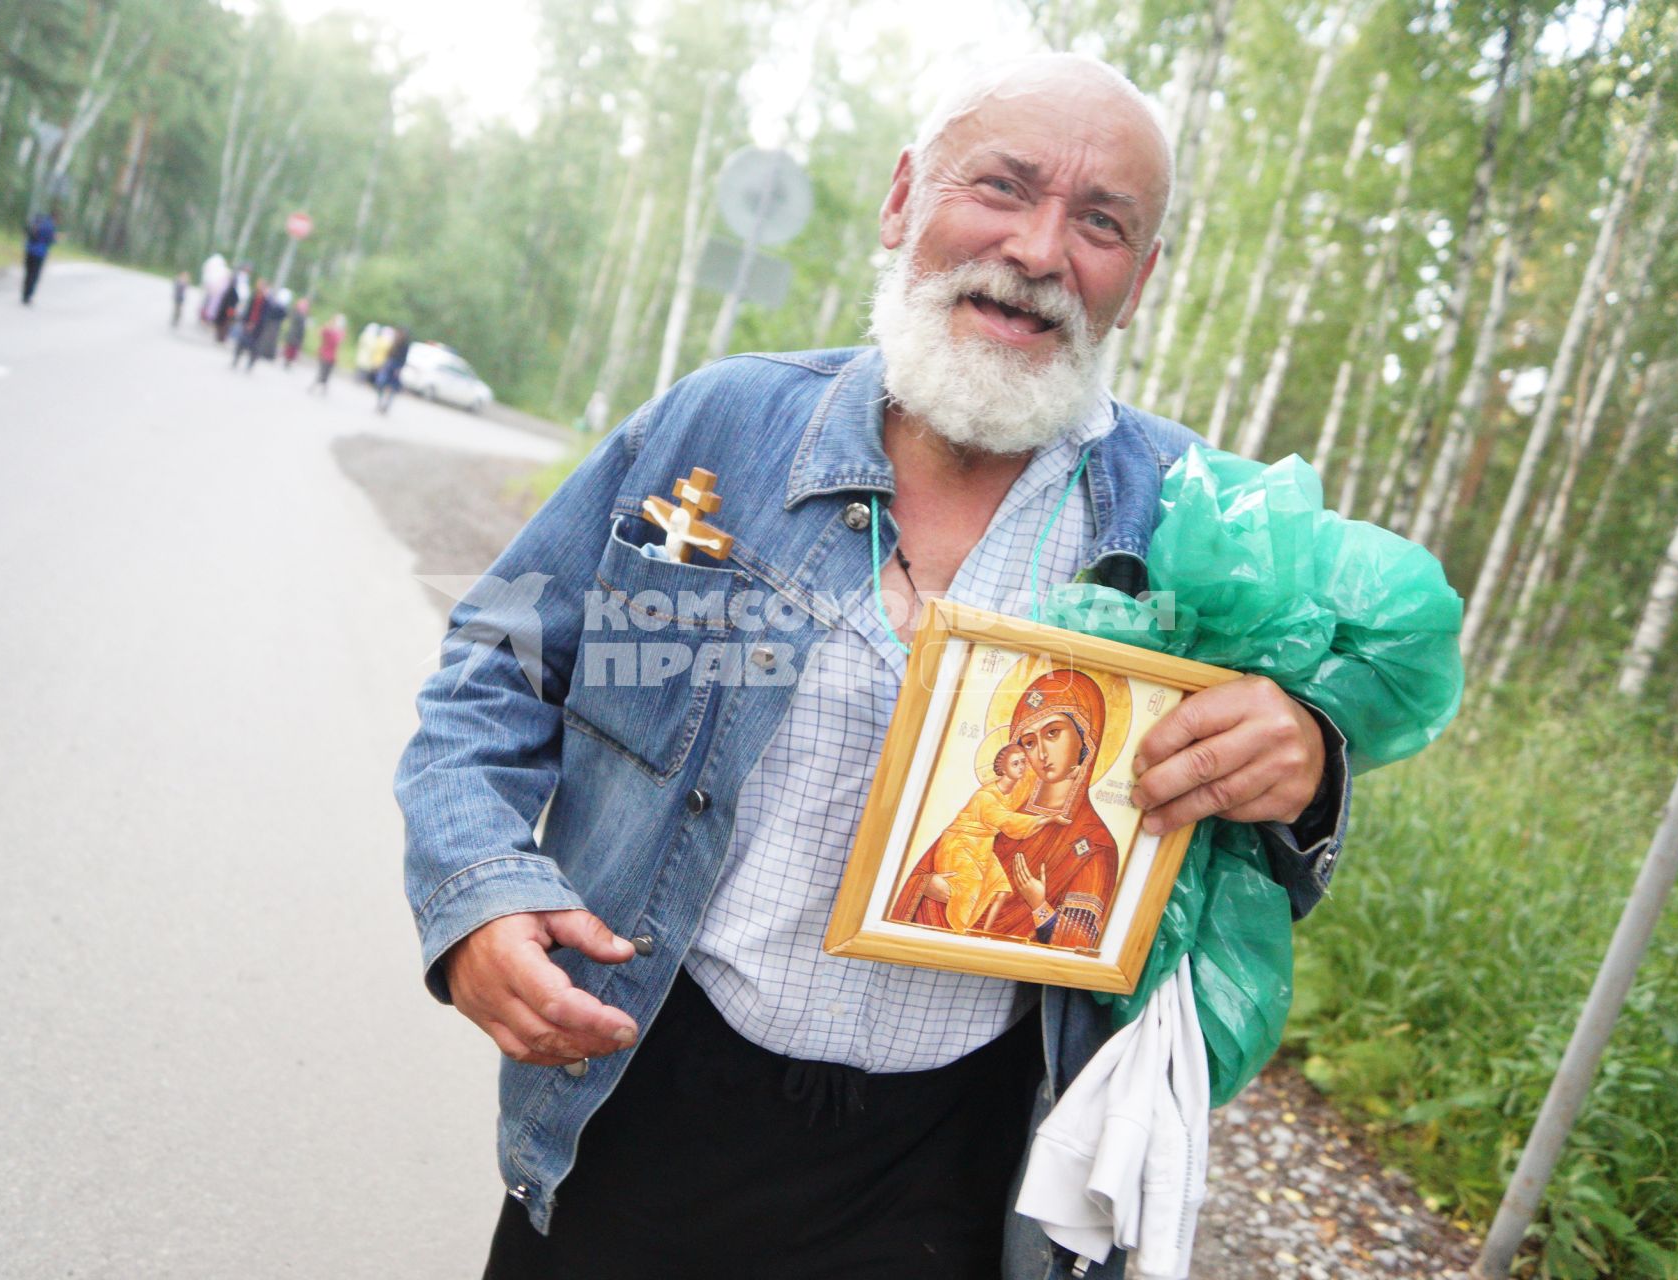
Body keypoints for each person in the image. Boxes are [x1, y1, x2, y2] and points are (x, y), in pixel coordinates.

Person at [398, 55, 1355, 1280]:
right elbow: (497, 662)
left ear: (1139, 279)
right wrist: (475, 890)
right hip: (644, 1101)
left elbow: (1285, 790)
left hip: (961, 1168)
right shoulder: (719, 429)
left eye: (1100, 223)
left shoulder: (1195, 523)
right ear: (904, 198)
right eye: (1001, 186)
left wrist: (1307, 753)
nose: (1038, 249)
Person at [892, 742, 1047, 934]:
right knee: (969, 888)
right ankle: (960, 930)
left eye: (1024, 762)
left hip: (982, 845)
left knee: (1000, 888)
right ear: (1003, 768)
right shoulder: (985, 797)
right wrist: (1047, 819)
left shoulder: (1012, 792)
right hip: (961, 844)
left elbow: (1030, 782)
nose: (1022, 767)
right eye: (1016, 764)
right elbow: (1007, 820)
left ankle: (981, 934)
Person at [21, 208, 57, 305]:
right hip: (40, 253)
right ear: (55, 217)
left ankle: (24, 295)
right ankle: (28, 297)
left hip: (29, 250)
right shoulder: (50, 225)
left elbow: (26, 231)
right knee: (34, 275)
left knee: (28, 273)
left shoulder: (38, 221)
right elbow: (51, 240)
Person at [373, 326, 409, 412]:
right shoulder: (393, 342)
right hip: (389, 364)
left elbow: (404, 358)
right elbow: (387, 354)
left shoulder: (405, 345)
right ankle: (380, 402)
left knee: (392, 388)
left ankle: (386, 405)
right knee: (381, 383)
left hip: (396, 366)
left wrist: (399, 368)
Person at [309, 312, 345, 393]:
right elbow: (321, 333)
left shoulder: (338, 332)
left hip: (331, 356)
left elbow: (339, 341)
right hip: (325, 354)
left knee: (327, 373)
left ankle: (323, 388)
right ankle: (315, 386)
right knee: (322, 372)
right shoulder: (330, 330)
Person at [281, 296, 310, 369]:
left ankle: (288, 362)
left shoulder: (302, 314)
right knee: (290, 349)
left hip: (297, 334)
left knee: (293, 349)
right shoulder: (297, 313)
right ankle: (287, 362)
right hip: (294, 333)